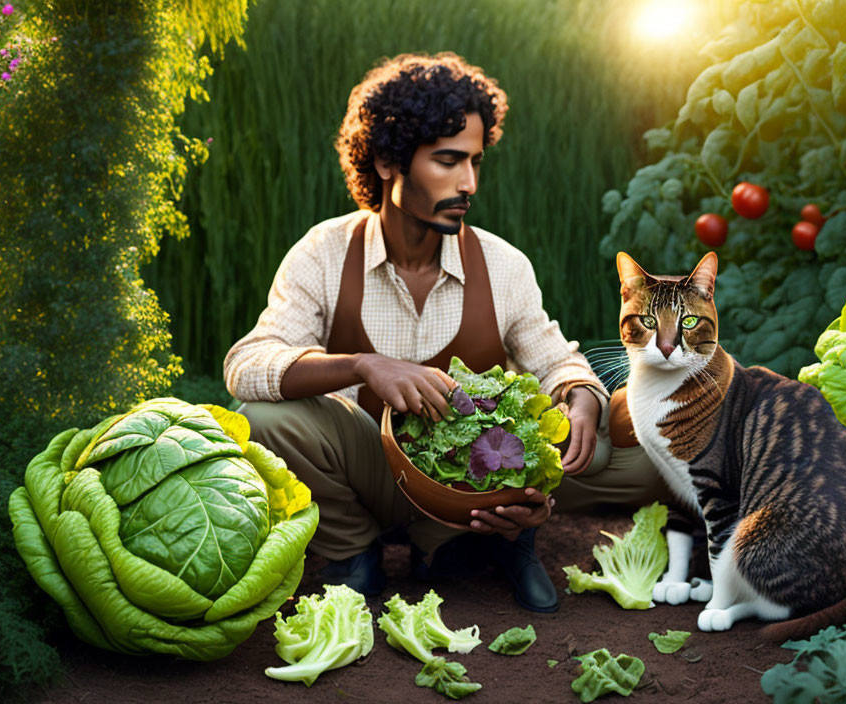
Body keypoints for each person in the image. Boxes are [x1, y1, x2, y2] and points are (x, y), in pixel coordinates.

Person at [224, 52, 670, 613]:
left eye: (476, 162)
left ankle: (492, 536)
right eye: (448, 161)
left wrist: (581, 398)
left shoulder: (503, 265)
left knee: (605, 442)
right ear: (388, 161)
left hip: (472, 479)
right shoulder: (323, 252)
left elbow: (559, 362)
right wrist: (364, 365)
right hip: (369, 470)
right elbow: (248, 362)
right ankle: (352, 549)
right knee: (260, 416)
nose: (469, 183)